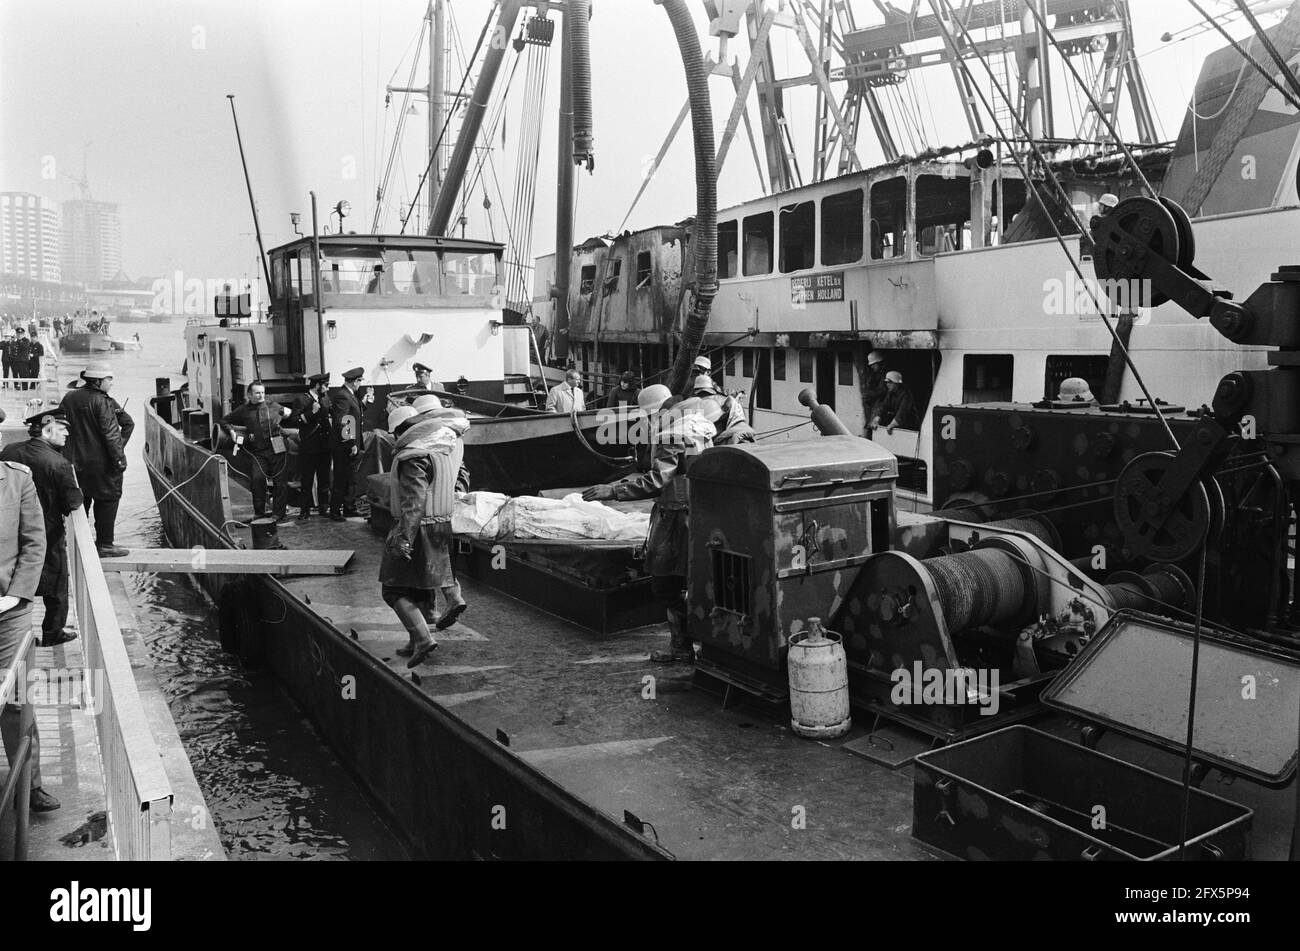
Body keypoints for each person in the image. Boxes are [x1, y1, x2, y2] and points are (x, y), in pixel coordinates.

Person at [583, 384, 715, 663]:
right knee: (689, 582)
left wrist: (614, 491)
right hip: (699, 515)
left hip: (675, 520)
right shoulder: (698, 426)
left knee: (664, 585)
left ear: (657, 413)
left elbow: (658, 480)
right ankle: (700, 645)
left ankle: (682, 647)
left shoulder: (672, 434)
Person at [381, 401, 471, 669]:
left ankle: (422, 639)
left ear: (399, 432)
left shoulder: (413, 455)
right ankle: (417, 635)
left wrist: (403, 538)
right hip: (441, 522)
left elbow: (414, 501)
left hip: (417, 526)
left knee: (393, 588)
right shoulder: (446, 445)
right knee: (418, 584)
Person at [0, 454, 60, 812]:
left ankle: (29, 785)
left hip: (10, 611)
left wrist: (14, 596)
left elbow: (35, 543)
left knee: (17, 700)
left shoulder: (18, 480)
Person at [1, 406, 83, 647]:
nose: (67, 435)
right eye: (62, 430)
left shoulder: (10, 450)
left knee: (16, 576)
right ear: (48, 430)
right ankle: (52, 633)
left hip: (14, 531)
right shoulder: (59, 463)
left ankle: (19, 627)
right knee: (56, 585)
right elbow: (72, 502)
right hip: (48, 533)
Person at [62, 365, 134, 557]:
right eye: (109, 379)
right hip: (101, 465)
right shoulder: (102, 401)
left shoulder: (69, 397)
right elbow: (111, 434)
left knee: (80, 503)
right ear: (98, 381)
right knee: (108, 500)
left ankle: (79, 543)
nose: (111, 382)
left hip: (75, 463)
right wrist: (120, 460)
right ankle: (104, 544)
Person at [222, 381, 293, 524]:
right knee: (257, 479)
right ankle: (259, 513)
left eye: (263, 393)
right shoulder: (243, 410)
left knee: (280, 482)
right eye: (257, 393)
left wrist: (286, 413)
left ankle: (279, 514)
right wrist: (231, 431)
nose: (261, 396)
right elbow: (224, 420)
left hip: (277, 447)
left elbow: (288, 413)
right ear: (249, 395)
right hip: (259, 451)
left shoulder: (272, 405)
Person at [288, 373, 332, 520]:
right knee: (307, 479)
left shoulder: (325, 399)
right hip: (309, 445)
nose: (328, 388)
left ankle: (324, 507)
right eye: (325, 385)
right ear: (317, 385)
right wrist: (311, 412)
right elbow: (294, 420)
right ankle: (305, 510)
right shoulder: (301, 399)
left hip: (324, 445)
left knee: (324, 478)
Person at [328, 367, 367, 521]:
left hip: (351, 444)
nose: (360, 384)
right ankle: (335, 511)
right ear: (355, 381)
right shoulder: (342, 396)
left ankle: (349, 508)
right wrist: (351, 442)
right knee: (341, 478)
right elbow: (342, 421)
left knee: (351, 478)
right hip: (344, 446)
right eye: (359, 381)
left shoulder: (349, 395)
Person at [870, 370, 920, 434]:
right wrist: (877, 419)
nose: (887, 385)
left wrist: (892, 424)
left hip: (910, 427)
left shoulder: (906, 395)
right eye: (887, 382)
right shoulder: (890, 393)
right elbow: (883, 407)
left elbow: (902, 412)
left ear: (896, 383)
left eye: (890, 382)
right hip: (899, 426)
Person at [862, 351, 889, 431]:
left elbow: (883, 390)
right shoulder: (876, 374)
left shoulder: (886, 374)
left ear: (879, 363)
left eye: (873, 365)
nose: (872, 367)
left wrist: (869, 394)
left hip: (885, 401)